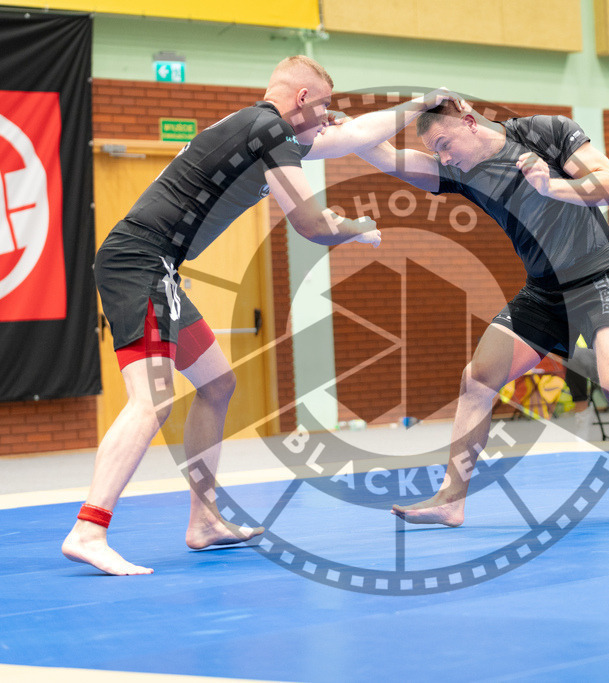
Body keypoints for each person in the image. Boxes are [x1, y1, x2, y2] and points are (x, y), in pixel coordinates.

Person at [63, 56, 461, 575]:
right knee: (151, 400)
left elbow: (353, 135)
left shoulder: (262, 131)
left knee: (217, 384)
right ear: (301, 98)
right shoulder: (270, 130)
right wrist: (356, 227)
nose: (328, 117)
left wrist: (420, 103)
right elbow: (311, 226)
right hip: (141, 263)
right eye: (323, 105)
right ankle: (89, 529)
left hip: (157, 266)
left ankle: (204, 521)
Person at [357, 101, 609, 526]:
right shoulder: (460, 171)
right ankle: (451, 501)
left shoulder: (545, 132)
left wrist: (552, 186)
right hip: (544, 291)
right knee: (476, 379)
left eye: (445, 144)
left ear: (469, 122)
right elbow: (386, 157)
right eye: (437, 151)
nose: (443, 157)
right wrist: (343, 132)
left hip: (597, 278)